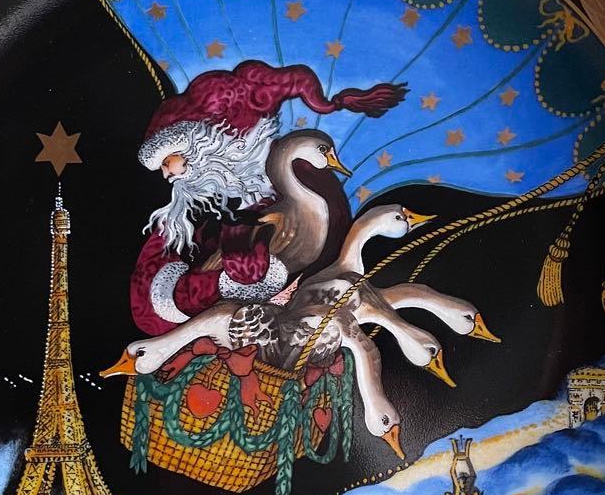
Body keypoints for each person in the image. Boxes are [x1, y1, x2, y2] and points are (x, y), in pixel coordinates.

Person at [130, 60, 407, 335]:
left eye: (167, 160)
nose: (166, 173)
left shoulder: (300, 176)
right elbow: (150, 296)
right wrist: (218, 283)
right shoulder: (189, 210)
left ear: (201, 145)